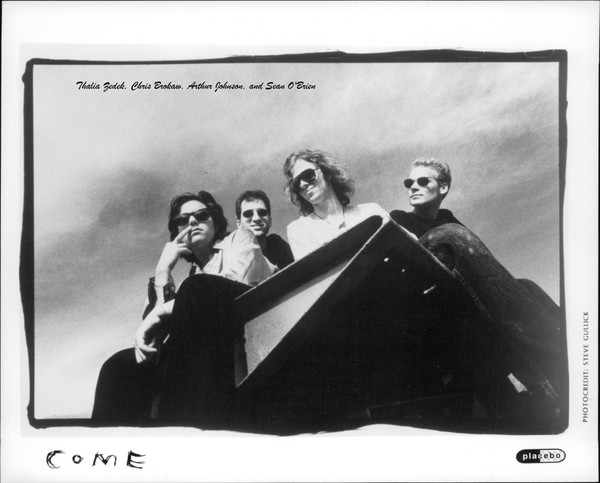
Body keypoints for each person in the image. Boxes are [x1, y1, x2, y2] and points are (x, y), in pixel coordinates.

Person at [390, 157, 563, 419]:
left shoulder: (448, 218)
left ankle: (564, 348)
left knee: (527, 286)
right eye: (409, 182)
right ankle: (558, 353)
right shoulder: (399, 218)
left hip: (462, 299)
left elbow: (480, 263)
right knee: (449, 234)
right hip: (428, 300)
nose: (413, 187)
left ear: (443, 188)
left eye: (422, 181)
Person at [92, 191, 276, 424]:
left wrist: (161, 312)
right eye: (183, 220)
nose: (192, 222)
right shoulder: (190, 282)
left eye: (201, 215)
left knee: (196, 288)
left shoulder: (240, 238)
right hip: (204, 346)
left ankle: (184, 422)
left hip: (252, 334)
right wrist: (162, 272)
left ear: (215, 223)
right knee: (120, 365)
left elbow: (232, 286)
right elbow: (155, 339)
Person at [284, 149, 388, 259]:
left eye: (307, 175)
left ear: (326, 172)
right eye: (296, 183)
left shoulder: (371, 212)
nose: (302, 184)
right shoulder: (299, 230)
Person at [235, 189, 294, 270]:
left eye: (262, 213)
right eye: (248, 214)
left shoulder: (277, 245)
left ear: (270, 221)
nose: (257, 218)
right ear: (238, 224)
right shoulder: (232, 255)